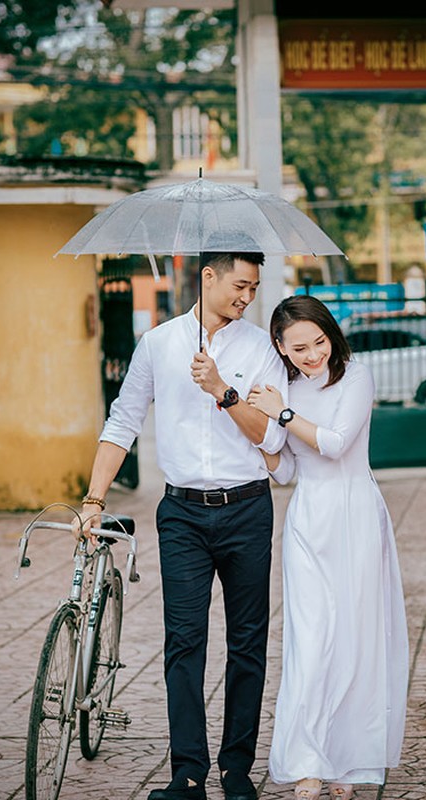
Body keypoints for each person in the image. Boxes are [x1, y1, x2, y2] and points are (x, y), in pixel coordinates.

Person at [76, 251, 289, 800]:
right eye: (240, 284)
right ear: (209, 277)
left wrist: (222, 389)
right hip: (182, 515)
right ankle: (188, 773)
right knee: (184, 643)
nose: (247, 296)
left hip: (246, 507)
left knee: (247, 643)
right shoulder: (159, 344)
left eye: (255, 287)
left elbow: (269, 437)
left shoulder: (260, 347)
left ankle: (237, 770)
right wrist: (94, 498)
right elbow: (122, 420)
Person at [247, 295, 409, 800]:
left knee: (356, 639)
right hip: (308, 521)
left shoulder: (355, 377)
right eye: (299, 348)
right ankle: (308, 762)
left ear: (330, 335)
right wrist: (263, 445)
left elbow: (336, 443)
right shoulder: (285, 391)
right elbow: (293, 471)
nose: (313, 354)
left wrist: (283, 412)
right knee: (311, 640)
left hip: (355, 515)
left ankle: (349, 761)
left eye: (318, 342)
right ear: (280, 348)